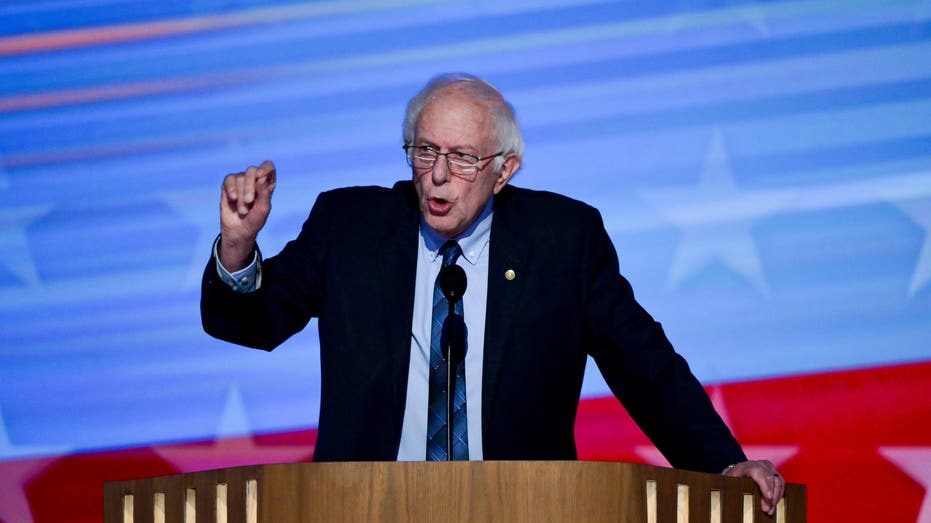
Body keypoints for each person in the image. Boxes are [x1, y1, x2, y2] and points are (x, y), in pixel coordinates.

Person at [201, 73, 785, 514]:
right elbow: (254, 322)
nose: (436, 175)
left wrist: (723, 463)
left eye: (461, 158)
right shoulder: (350, 225)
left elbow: (645, 366)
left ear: (504, 171)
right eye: (425, 151)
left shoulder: (563, 241)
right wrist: (237, 249)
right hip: (367, 510)